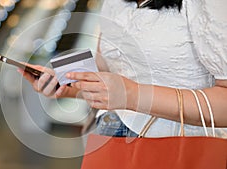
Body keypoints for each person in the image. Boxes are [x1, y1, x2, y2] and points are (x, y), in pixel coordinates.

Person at [18, 0, 227, 138]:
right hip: (110, 134)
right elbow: (108, 70)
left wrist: (132, 95)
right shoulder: (114, 2)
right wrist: (63, 79)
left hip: (178, 148)